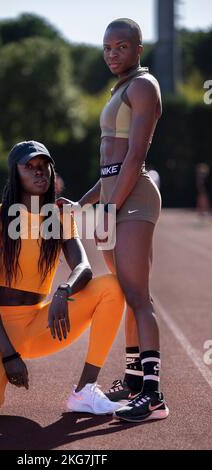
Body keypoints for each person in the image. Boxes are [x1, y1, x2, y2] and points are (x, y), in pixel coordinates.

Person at [0, 140, 125, 420]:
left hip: (42, 323)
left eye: (44, 166)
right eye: (30, 167)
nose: (39, 172)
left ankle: (85, 390)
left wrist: (65, 289)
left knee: (111, 286)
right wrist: (9, 356)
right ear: (15, 173)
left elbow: (83, 267)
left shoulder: (59, 216)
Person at [57, 19, 169, 422]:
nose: (112, 54)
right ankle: (135, 379)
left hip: (133, 200)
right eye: (107, 48)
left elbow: (134, 158)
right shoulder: (120, 88)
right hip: (112, 200)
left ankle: (154, 396)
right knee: (127, 294)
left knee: (138, 296)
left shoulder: (143, 86)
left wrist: (108, 207)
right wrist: (84, 202)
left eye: (121, 47)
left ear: (139, 48)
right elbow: (109, 168)